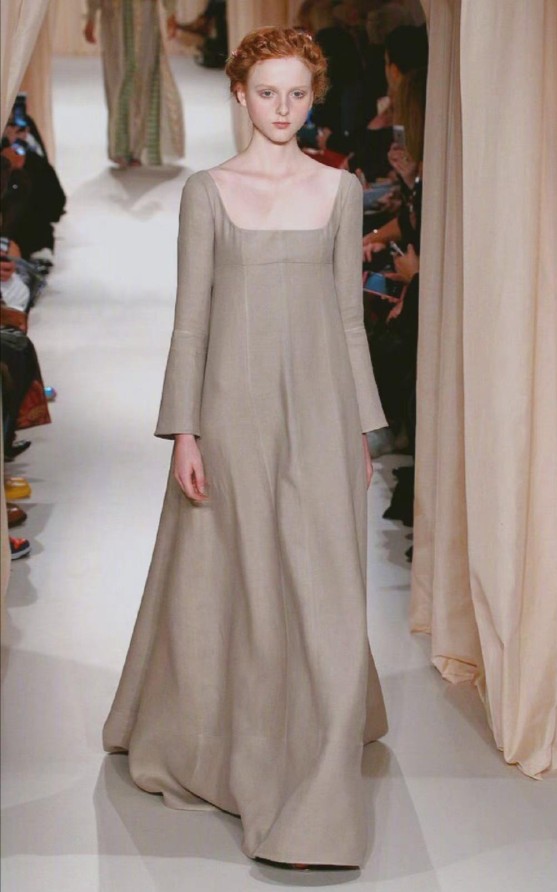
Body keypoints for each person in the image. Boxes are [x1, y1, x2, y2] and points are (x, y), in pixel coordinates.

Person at [102, 26, 388, 871]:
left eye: (297, 94)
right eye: (268, 93)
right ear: (239, 94)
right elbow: (191, 320)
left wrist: (363, 428)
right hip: (231, 413)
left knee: (327, 586)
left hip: (321, 412)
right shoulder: (208, 193)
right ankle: (243, 748)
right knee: (244, 581)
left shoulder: (341, 189)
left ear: (313, 96)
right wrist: (184, 430)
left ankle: (320, 788)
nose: (283, 109)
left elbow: (349, 320)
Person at [84, 0, 185, 167]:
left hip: (144, 16)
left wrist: (171, 13)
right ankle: (122, 147)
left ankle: (135, 148)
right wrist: (91, 17)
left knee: (142, 78)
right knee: (119, 81)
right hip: (114, 19)